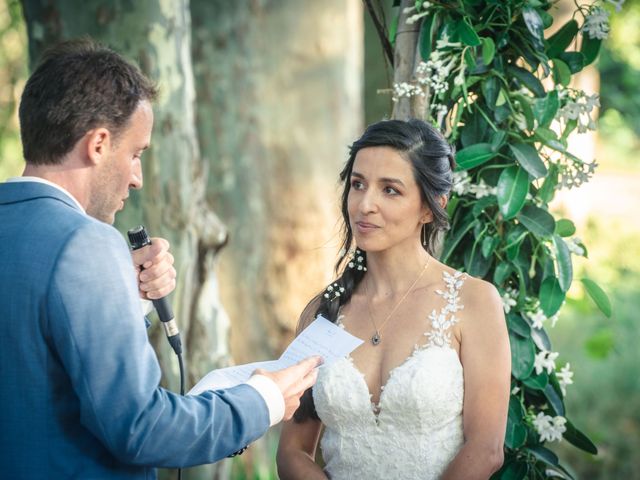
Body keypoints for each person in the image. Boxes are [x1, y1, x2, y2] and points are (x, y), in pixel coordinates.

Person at [0, 38, 320, 479]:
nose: (138, 178)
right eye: (135, 154)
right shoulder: (87, 244)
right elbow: (140, 427)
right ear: (97, 144)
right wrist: (261, 400)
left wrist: (123, 296)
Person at [277, 119, 511, 479]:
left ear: (429, 208)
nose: (365, 204)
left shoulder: (474, 301)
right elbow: (293, 451)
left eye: (390, 190)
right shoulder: (323, 311)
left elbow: (486, 449)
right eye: (358, 185)